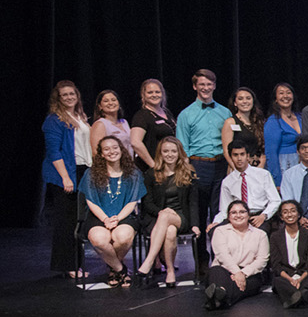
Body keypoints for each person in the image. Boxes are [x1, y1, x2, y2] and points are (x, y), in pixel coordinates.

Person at [134, 137, 200, 288]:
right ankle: (170, 271)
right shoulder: (151, 174)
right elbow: (147, 203)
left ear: (179, 153)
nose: (169, 154)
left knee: (167, 218)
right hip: (157, 218)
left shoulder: (188, 173)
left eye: (173, 151)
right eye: (166, 151)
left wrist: (195, 225)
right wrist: (163, 211)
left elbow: (193, 202)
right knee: (170, 231)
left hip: (181, 216)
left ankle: (149, 260)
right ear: (160, 154)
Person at [81, 136, 147, 287]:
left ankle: (113, 269)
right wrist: (105, 219)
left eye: (115, 147)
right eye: (107, 149)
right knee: (100, 239)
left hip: (124, 215)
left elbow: (132, 201)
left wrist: (117, 219)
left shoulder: (133, 173)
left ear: (121, 150)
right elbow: (91, 200)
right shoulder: (91, 174)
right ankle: (120, 269)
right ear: (101, 154)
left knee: (123, 237)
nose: (112, 151)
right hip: (99, 216)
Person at [176, 69, 232, 246]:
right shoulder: (186, 114)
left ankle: (219, 258)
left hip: (221, 164)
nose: (206, 88)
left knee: (220, 212)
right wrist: (189, 169)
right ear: (195, 86)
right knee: (199, 215)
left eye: (209, 84)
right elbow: (182, 146)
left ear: (214, 86)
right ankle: (201, 262)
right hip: (198, 165)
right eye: (202, 84)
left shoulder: (225, 113)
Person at [42, 81, 90, 279]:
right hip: (65, 174)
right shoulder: (54, 120)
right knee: (66, 222)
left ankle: (77, 263)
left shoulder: (80, 116)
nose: (69, 97)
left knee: (78, 220)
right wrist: (65, 178)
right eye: (65, 95)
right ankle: (68, 265)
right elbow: (54, 151)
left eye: (72, 94)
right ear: (58, 99)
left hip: (82, 171)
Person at [204, 200, 268, 310]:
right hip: (224, 271)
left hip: (249, 274)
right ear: (228, 216)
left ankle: (219, 297)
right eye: (233, 213)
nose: (238, 215)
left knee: (254, 283)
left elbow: (262, 260)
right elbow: (222, 255)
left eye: (242, 212)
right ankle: (223, 298)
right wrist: (237, 273)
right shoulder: (220, 231)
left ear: (249, 214)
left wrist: (243, 273)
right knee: (216, 271)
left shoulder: (261, 234)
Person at [210, 141, 280, 231]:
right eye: (235, 155)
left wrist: (264, 216)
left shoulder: (263, 175)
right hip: (237, 218)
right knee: (215, 231)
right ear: (231, 157)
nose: (239, 158)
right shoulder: (227, 181)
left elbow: (275, 200)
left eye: (242, 154)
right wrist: (215, 222)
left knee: (260, 232)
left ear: (247, 156)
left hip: (258, 215)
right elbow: (224, 210)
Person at [269, 200, 308, 308]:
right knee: (278, 281)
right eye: (285, 212)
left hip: (303, 274)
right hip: (286, 276)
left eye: (293, 211)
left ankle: (296, 297)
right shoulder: (275, 237)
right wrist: (290, 279)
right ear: (281, 217)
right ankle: (298, 296)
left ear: (299, 214)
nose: (290, 214)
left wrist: (300, 279)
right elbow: (276, 265)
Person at [129, 79, 176, 170]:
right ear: (143, 95)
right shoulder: (142, 116)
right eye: (150, 92)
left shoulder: (167, 113)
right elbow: (135, 142)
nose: (154, 95)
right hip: (152, 168)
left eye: (157, 92)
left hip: (168, 165)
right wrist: (153, 165)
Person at [264, 83, 303, 186]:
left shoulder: (301, 117)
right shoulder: (273, 121)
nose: (285, 96)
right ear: (276, 99)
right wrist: (277, 181)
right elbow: (271, 154)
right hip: (284, 166)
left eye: (288, 93)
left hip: (302, 164)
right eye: (281, 93)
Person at [221, 87, 265, 170]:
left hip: (257, 169)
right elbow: (226, 152)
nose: (245, 101)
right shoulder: (230, 122)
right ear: (235, 103)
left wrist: (260, 168)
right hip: (237, 169)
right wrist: (239, 171)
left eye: (248, 98)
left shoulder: (259, 122)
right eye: (240, 99)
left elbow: (263, 149)